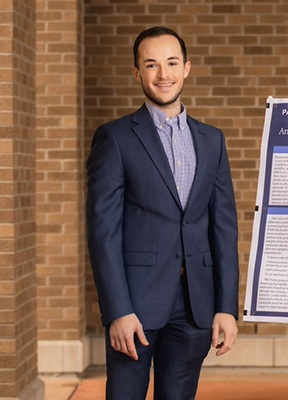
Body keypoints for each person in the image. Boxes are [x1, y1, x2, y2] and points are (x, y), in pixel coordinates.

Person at [86, 26, 239, 400]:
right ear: (137, 73)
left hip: (195, 304)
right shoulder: (115, 137)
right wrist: (117, 311)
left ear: (186, 68)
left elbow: (224, 228)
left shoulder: (212, 140)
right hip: (135, 306)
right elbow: (103, 233)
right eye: (151, 64)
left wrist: (226, 307)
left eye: (171, 63)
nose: (162, 74)